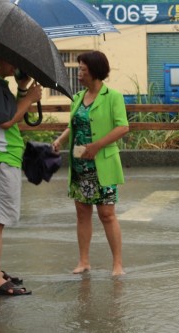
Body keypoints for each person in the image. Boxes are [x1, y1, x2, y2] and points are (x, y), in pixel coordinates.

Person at [52, 51, 129, 277]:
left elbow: (122, 127)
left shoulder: (112, 96)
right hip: (80, 165)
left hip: (102, 163)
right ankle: (84, 261)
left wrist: (97, 145)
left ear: (95, 72)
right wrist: (60, 140)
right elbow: (72, 125)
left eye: (83, 70)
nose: (79, 74)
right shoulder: (78, 98)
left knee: (107, 214)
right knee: (82, 213)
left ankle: (117, 264)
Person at [0, 57, 42, 295]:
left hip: (5, 156)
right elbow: (6, 121)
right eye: (10, 60)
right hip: (0, 156)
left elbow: (9, 114)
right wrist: (31, 99)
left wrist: (22, 89)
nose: (14, 66)